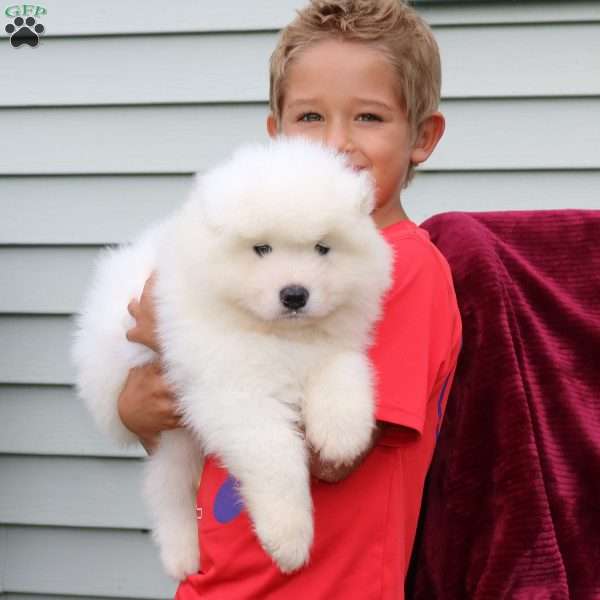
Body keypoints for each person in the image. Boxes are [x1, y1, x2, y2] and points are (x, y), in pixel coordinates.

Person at [119, 1, 462, 598]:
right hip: (219, 582)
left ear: (422, 137)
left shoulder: (401, 268)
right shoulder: (247, 255)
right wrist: (140, 407)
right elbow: (200, 422)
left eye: (369, 118)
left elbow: (335, 454)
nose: (335, 143)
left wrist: (184, 345)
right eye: (309, 116)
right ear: (276, 133)